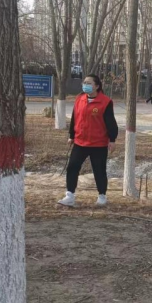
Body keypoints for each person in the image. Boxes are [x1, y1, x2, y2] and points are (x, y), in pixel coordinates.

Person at [58, 74, 118, 207]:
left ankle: (102, 196)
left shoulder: (105, 102)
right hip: (80, 142)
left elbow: (111, 123)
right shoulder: (79, 99)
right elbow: (74, 118)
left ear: (97, 86)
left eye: (89, 83)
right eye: (84, 82)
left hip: (98, 143)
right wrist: (72, 135)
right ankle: (70, 195)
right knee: (72, 167)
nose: (85, 85)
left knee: (99, 170)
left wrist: (112, 139)